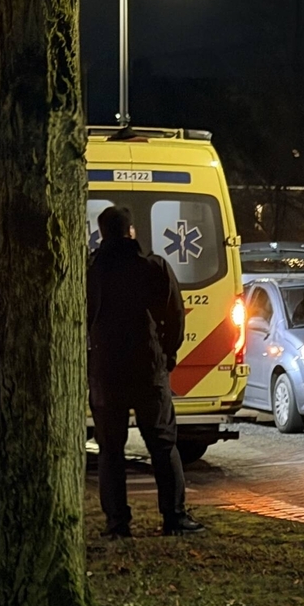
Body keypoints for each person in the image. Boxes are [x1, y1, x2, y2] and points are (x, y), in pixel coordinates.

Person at [87, 206, 203, 538]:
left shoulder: (91, 270)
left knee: (111, 450)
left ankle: (117, 523)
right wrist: (167, 354)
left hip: (106, 373)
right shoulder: (153, 267)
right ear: (131, 231)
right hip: (148, 369)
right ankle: (174, 517)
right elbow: (175, 314)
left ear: (102, 234)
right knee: (163, 445)